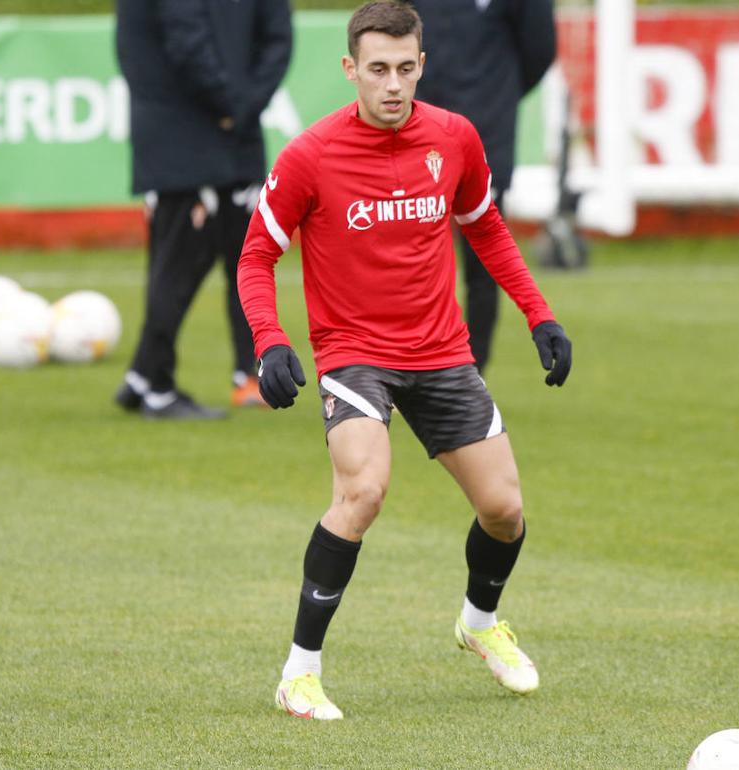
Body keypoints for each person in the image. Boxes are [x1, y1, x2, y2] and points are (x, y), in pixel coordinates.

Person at [237, 0, 572, 720]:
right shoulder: (310, 154)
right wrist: (270, 341)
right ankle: (299, 674)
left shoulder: (454, 138)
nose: (393, 84)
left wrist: (539, 315)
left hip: (443, 352)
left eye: (407, 68)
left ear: (424, 64)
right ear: (351, 69)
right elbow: (257, 255)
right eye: (378, 69)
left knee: (505, 509)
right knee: (362, 493)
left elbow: (487, 230)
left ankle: (479, 625)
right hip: (355, 354)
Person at [114, 0, 292, 418]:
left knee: (247, 255)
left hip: (232, 134)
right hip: (185, 141)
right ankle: (155, 386)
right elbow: (185, 40)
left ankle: (156, 376)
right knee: (178, 267)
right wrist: (232, 105)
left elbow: (277, 38)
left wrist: (241, 108)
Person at [415, 0, 558, 372]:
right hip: (419, 132)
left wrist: (497, 93)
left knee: (483, 254)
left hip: (484, 132)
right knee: (410, 253)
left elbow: (540, 50)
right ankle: (409, 363)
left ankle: (471, 370)